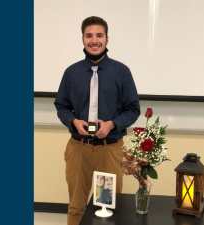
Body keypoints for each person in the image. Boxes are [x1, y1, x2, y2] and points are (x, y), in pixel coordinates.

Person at [54, 16, 140, 225]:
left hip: (109, 150)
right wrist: (74, 122)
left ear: (107, 39)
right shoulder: (71, 72)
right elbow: (61, 106)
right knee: (76, 205)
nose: (94, 40)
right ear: (83, 39)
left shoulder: (122, 72)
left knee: (107, 207)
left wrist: (112, 124)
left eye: (99, 35)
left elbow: (133, 109)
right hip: (78, 148)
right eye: (89, 35)